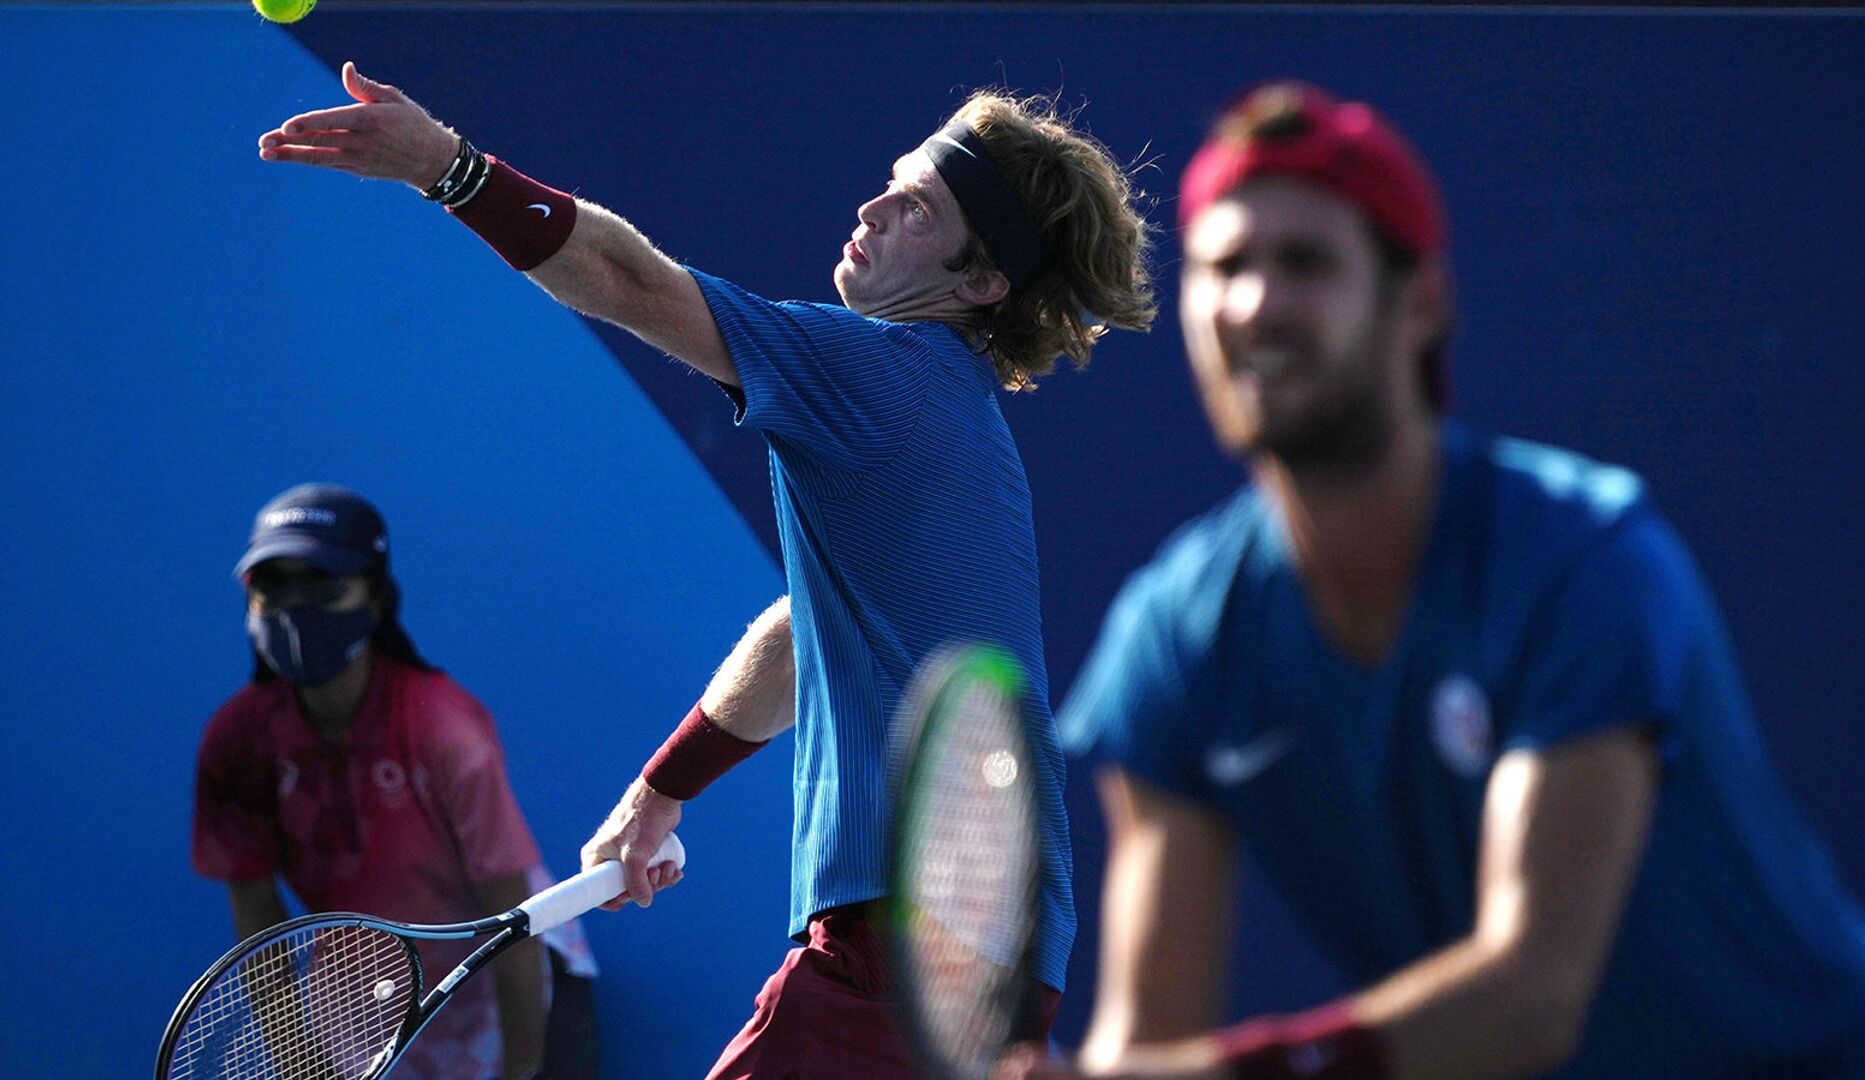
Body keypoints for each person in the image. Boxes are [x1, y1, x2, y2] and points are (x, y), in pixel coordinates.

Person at [259, 64, 1156, 1078]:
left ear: (981, 283)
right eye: (892, 184)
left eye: (918, 209)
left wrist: (446, 166)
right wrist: (661, 791)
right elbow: (801, 634)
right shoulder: (953, 418)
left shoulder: (882, 372)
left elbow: (631, 281)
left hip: (903, 946)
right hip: (991, 955)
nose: (873, 208)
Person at [1009, 83, 1865, 1080]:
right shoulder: (1177, 637)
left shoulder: (1584, 560)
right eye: (1223, 266)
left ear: (1422, 305)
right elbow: (1146, 1047)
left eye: (1306, 262)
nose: (1256, 302)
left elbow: (1532, 999)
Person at [192, 483, 600, 1080]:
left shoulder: (444, 727)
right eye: (273, 588)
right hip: (367, 1001)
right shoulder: (236, 743)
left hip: (520, 975)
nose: (296, 609)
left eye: (323, 585)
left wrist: (522, 1073)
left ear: (376, 597)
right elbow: (259, 926)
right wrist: (302, 1069)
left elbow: (512, 920)